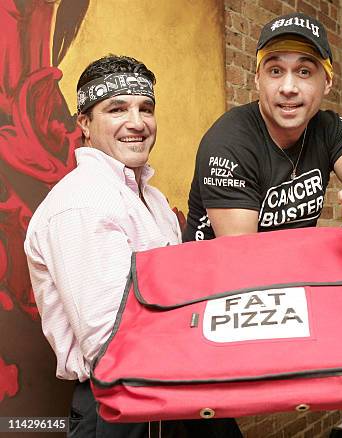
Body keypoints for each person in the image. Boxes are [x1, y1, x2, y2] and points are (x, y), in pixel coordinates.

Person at [24, 55, 239, 438]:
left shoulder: (151, 199)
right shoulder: (82, 203)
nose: (137, 123)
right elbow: (112, 341)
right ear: (85, 124)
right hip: (123, 404)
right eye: (117, 109)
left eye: (146, 108)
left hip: (178, 388)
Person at [183, 12, 342, 241]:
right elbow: (243, 259)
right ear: (258, 78)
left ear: (327, 82)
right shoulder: (228, 143)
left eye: (304, 71)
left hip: (287, 270)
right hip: (216, 273)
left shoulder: (329, 128)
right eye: (275, 71)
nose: (288, 87)